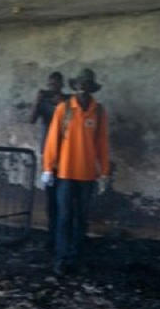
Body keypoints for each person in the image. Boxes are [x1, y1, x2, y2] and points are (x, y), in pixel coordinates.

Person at [41, 68, 110, 275]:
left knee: (81, 217)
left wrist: (104, 172)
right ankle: (62, 258)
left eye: (86, 84)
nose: (83, 87)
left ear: (91, 88)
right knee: (64, 217)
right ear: (75, 86)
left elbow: (102, 144)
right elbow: (53, 140)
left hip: (88, 175)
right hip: (64, 174)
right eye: (80, 84)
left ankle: (75, 256)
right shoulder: (64, 109)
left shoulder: (98, 111)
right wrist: (48, 168)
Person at [29, 72, 69, 251]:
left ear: (62, 85)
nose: (53, 87)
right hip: (49, 155)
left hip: (69, 155)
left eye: (57, 84)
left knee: (66, 200)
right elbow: (31, 120)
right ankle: (52, 237)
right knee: (51, 200)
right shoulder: (43, 101)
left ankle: (64, 237)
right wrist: (37, 102)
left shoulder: (70, 101)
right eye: (51, 84)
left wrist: (62, 102)